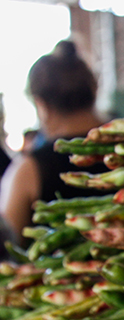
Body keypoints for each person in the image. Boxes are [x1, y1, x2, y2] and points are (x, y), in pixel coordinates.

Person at [0, 40, 110, 245]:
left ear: (41, 105)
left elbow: (9, 242)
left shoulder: (30, 169)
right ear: (94, 90)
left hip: (65, 275)